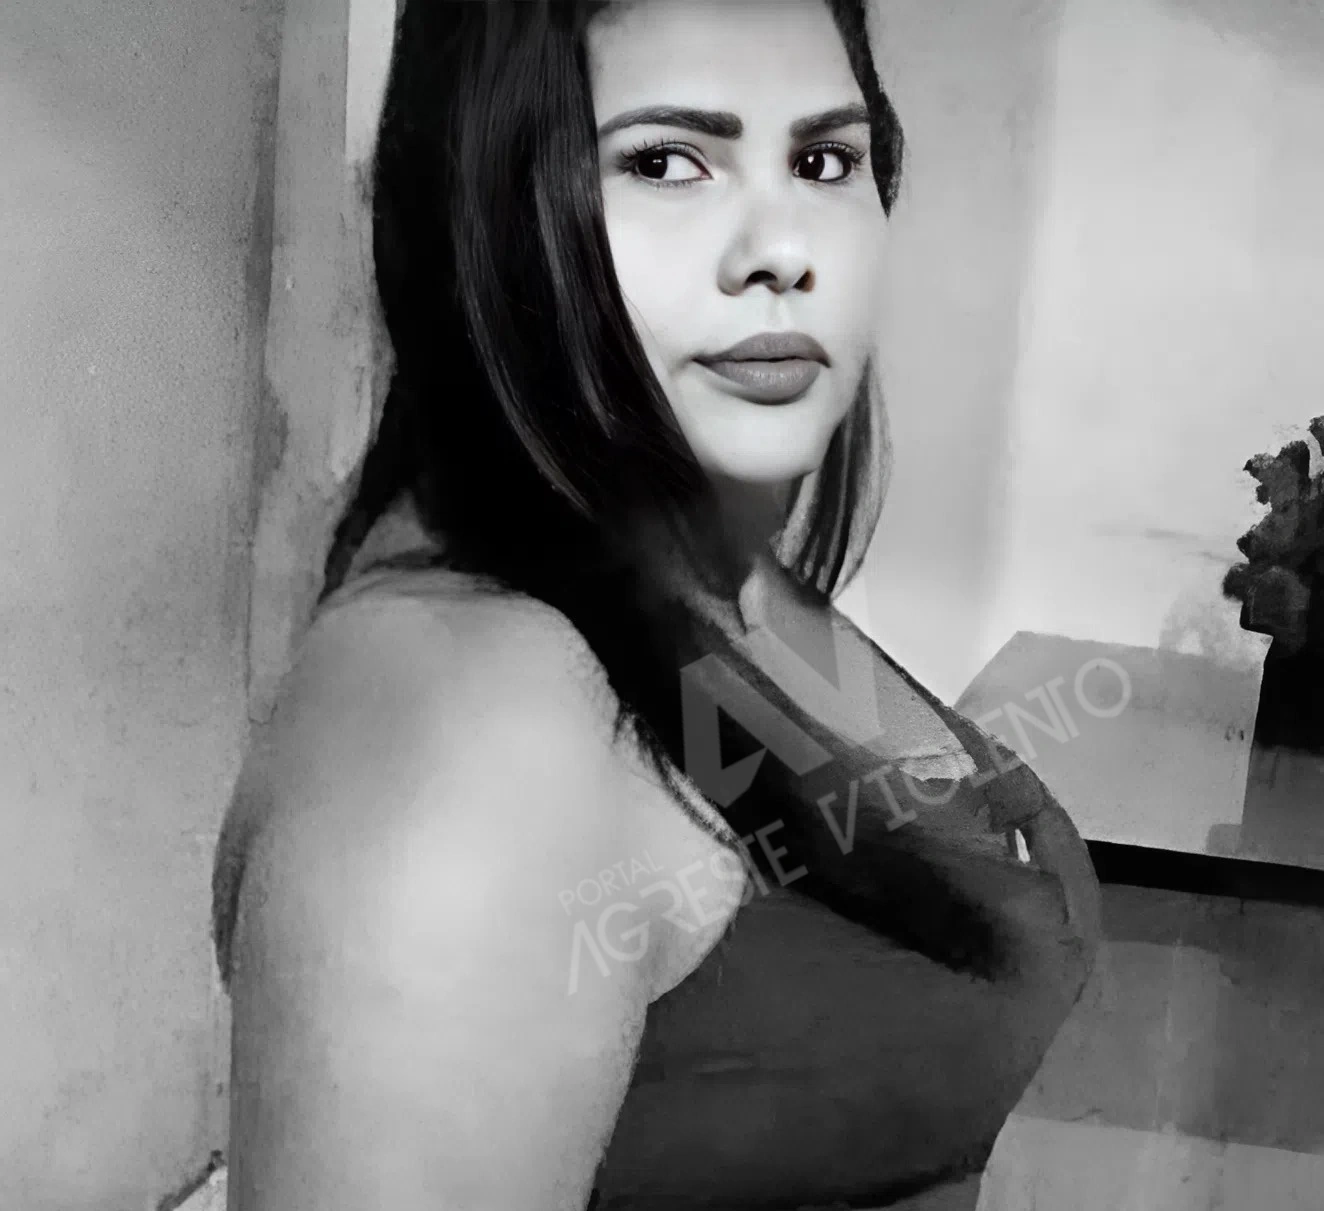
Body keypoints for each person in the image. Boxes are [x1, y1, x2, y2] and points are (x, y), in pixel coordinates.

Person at [211, 2, 1102, 1208]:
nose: (783, 248)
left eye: (823, 159)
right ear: (483, 207)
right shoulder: (472, 728)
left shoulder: (714, 574)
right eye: (668, 161)